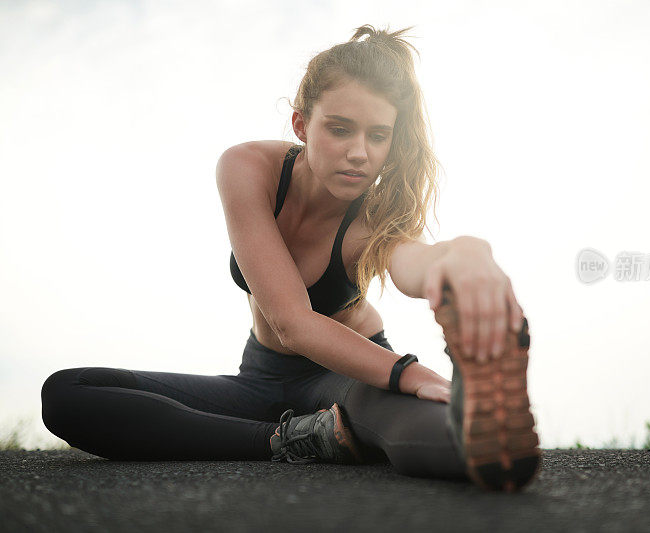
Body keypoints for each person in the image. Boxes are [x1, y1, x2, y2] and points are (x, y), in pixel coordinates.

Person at [40, 24, 541, 492]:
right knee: (68, 393)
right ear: (302, 123)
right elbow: (290, 323)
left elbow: (411, 261)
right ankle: (293, 439)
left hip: (350, 373)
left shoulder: (374, 217)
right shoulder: (248, 167)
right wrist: (410, 373)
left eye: (377, 135)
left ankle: (479, 427)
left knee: (464, 442)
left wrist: (456, 259)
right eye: (340, 129)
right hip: (258, 379)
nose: (360, 153)